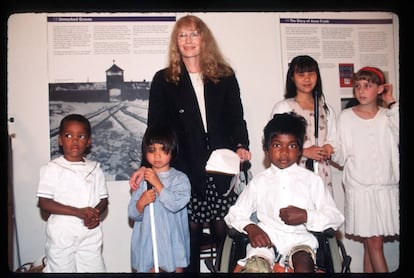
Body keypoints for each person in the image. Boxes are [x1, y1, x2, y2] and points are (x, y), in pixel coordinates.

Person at [129, 15, 251, 272]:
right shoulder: (164, 80)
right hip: (185, 166)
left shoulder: (225, 76)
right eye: (182, 35)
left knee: (223, 233)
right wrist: (145, 166)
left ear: (203, 38)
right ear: (176, 42)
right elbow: (155, 128)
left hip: (221, 165)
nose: (188, 40)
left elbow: (236, 117)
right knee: (190, 236)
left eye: (194, 34)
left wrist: (241, 144)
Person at [224, 112, 344, 273]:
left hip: (300, 240)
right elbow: (234, 214)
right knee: (256, 268)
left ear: (300, 150)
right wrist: (251, 227)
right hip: (265, 242)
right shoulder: (259, 182)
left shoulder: (312, 181)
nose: (284, 152)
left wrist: (306, 216)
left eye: (292, 146)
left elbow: (336, 217)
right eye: (277, 145)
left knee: (304, 262)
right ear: (266, 149)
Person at [331, 66, 399, 272]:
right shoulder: (346, 117)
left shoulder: (389, 116)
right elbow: (340, 153)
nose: (361, 90)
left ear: (380, 89)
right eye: (357, 86)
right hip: (360, 189)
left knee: (372, 244)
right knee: (373, 243)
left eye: (367, 86)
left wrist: (392, 101)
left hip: (385, 189)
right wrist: (330, 150)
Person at [36, 114, 108, 272]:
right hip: (62, 233)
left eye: (81, 136)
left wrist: (94, 213)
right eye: (69, 135)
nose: (75, 141)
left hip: (90, 232)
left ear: (88, 141)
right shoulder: (52, 168)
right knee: (60, 269)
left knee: (94, 268)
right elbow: (44, 202)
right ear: (60, 140)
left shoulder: (95, 169)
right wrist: (78, 212)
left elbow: (103, 200)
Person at [270, 55, 337, 196]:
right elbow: (273, 142)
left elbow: (333, 139)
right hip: (293, 172)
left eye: (311, 74)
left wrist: (328, 148)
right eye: (301, 75)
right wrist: (305, 151)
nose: (307, 79)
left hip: (321, 173)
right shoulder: (284, 107)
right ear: (293, 78)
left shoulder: (326, 109)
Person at [128, 124, 191, 273]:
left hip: (172, 242)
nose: (157, 155)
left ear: (172, 150)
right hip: (148, 242)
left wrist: (157, 184)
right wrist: (141, 202)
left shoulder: (180, 179)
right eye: (151, 150)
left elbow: (176, 204)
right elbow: (132, 214)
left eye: (163, 149)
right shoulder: (142, 179)